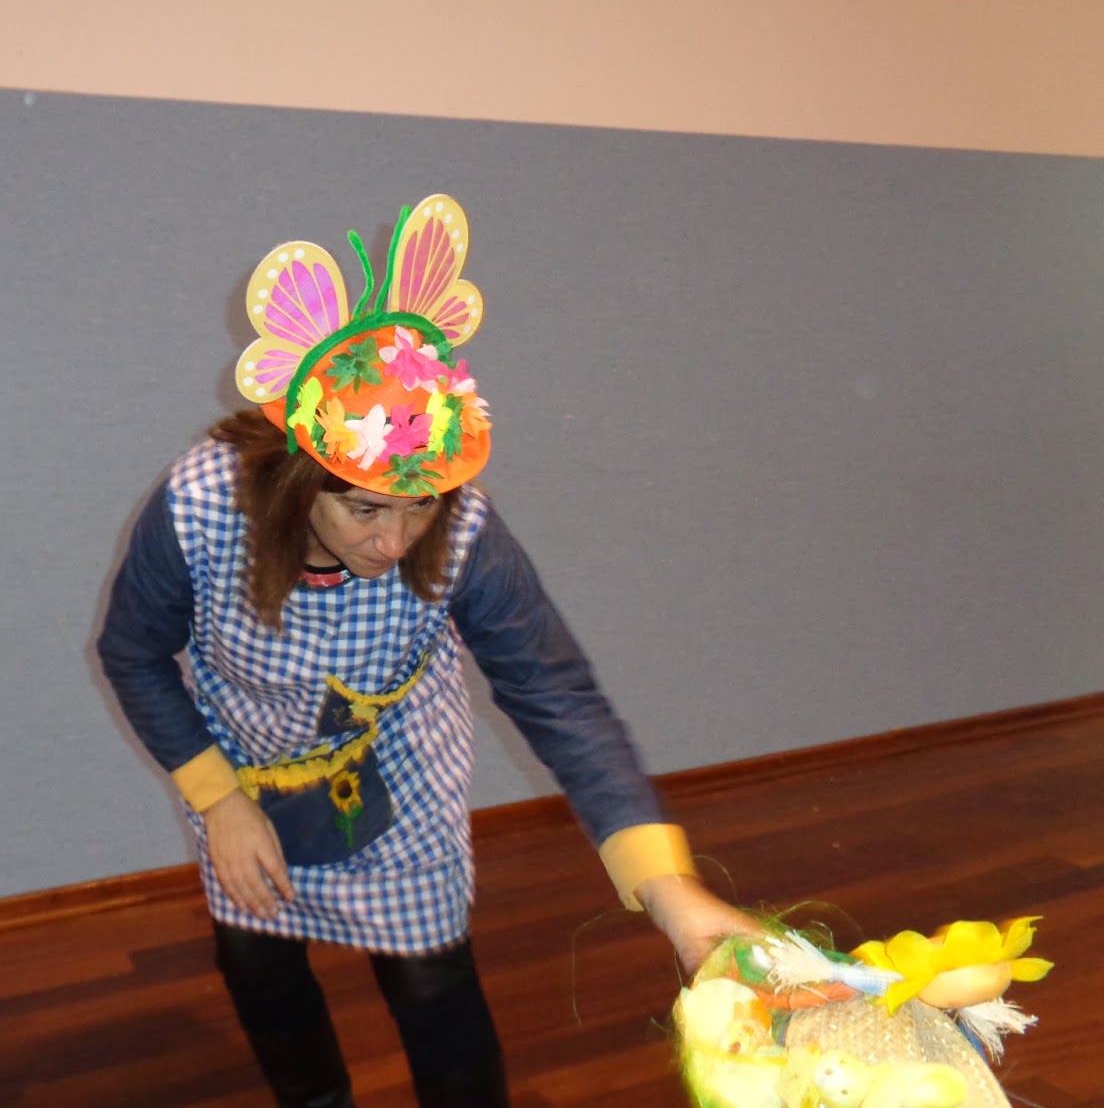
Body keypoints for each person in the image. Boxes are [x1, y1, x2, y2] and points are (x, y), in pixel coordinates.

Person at [97, 194, 754, 1107]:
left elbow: (556, 696)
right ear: (298, 480)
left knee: (432, 986)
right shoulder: (201, 508)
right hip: (238, 762)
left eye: (420, 506)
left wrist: (666, 887)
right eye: (365, 508)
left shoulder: (465, 530)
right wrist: (220, 801)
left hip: (397, 760)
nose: (395, 540)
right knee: (258, 963)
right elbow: (133, 656)